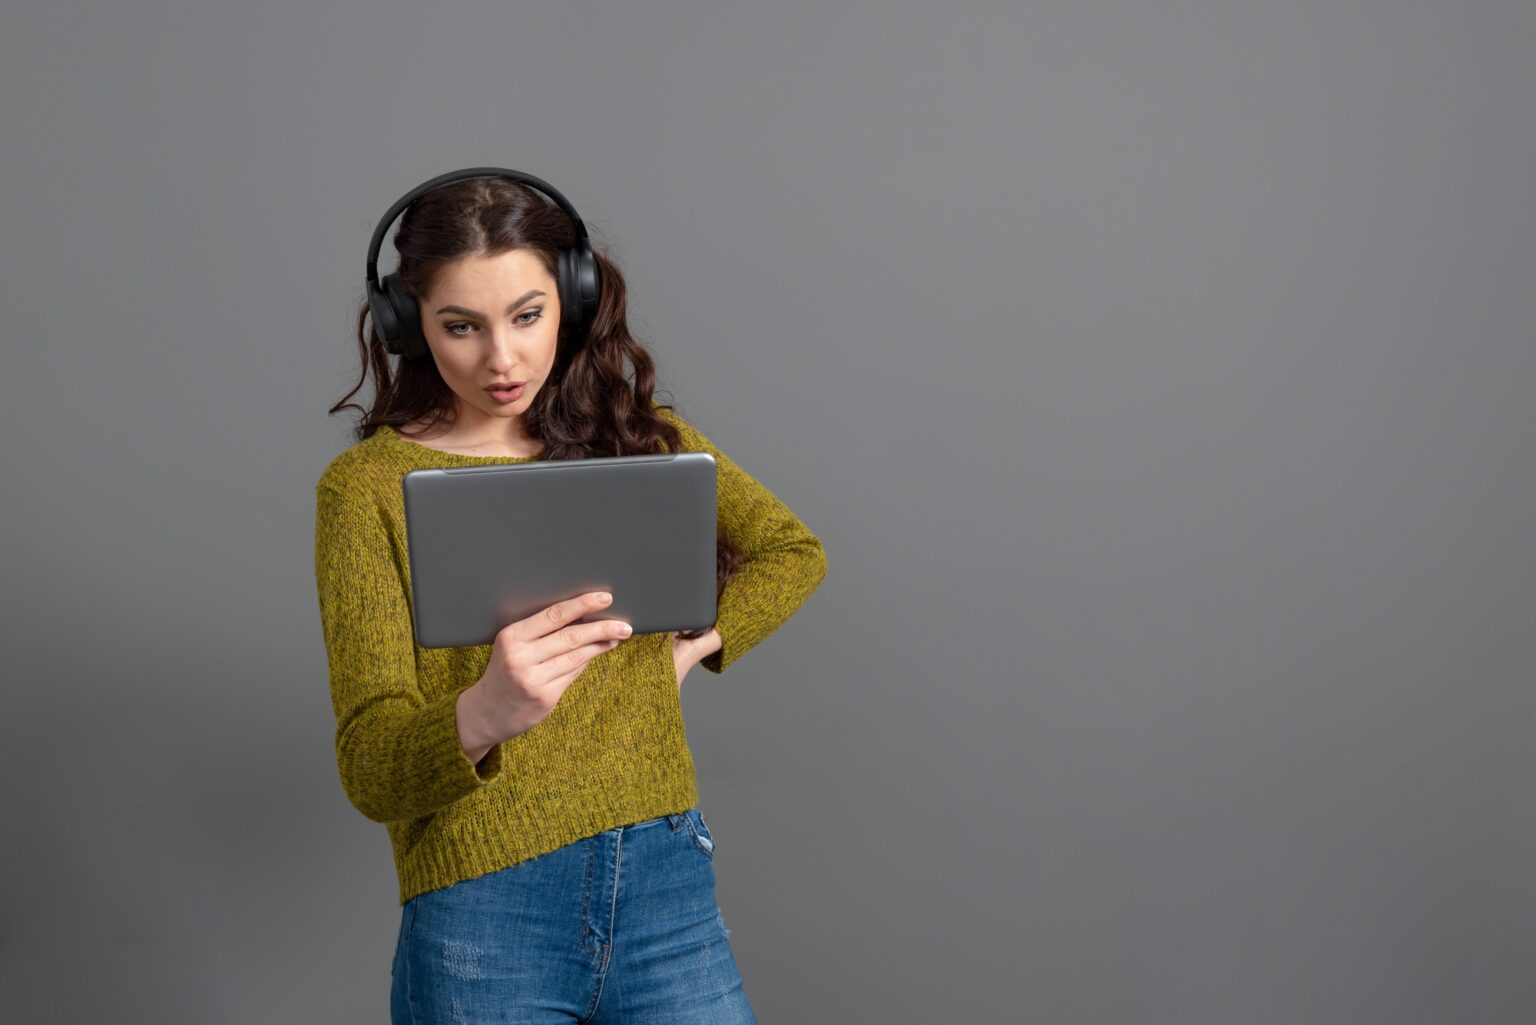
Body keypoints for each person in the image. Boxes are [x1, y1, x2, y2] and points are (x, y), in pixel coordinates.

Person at [313, 168, 827, 1024]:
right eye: (460, 326)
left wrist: (689, 646)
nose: (501, 357)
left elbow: (789, 550)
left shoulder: (622, 431)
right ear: (409, 325)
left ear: (574, 298)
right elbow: (369, 767)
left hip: (666, 884)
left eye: (526, 315)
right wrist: (485, 709)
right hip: (483, 910)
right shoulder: (366, 490)